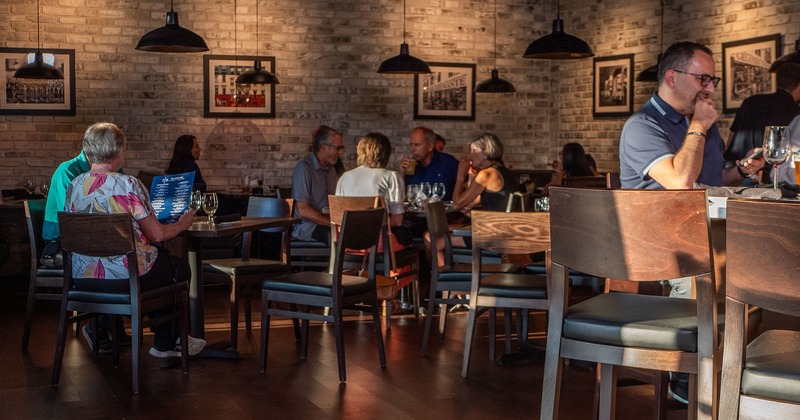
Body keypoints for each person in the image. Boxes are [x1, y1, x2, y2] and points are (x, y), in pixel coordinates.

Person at [618, 41, 765, 405]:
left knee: (763, 264)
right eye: (704, 78)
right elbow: (681, 183)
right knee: (714, 268)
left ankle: (738, 372)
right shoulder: (642, 126)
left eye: (712, 79)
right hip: (660, 248)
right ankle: (687, 376)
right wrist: (699, 125)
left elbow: (715, 183)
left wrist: (742, 170)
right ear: (672, 76)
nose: (711, 88)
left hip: (711, 234)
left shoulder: (701, 126)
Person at [64, 122, 205, 358]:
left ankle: (163, 339)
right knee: (176, 268)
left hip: (83, 277)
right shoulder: (127, 184)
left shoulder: (74, 186)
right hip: (123, 278)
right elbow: (158, 234)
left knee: (161, 267)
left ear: (89, 152)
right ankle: (165, 343)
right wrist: (183, 223)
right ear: (118, 151)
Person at [425, 133, 517, 265]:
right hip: (500, 232)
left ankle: (444, 281)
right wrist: (471, 177)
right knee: (434, 230)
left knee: (432, 239)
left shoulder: (487, 174)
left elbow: (456, 204)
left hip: (489, 236)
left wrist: (460, 176)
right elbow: (471, 203)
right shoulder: (501, 171)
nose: (470, 156)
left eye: (474, 151)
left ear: (486, 153)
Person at [725, 62, 800, 183]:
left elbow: (731, 137)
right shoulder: (796, 112)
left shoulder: (750, 101)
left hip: (731, 171)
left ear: (777, 82)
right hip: (762, 176)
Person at [291, 125, 343, 245]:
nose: (340, 152)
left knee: (350, 234)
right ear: (324, 148)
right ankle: (339, 264)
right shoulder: (304, 169)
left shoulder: (332, 169)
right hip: (306, 226)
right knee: (336, 237)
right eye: (338, 148)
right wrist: (332, 222)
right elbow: (303, 210)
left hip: (326, 222)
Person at [400, 126, 459, 201]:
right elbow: (399, 197)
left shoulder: (448, 163)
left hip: (443, 211)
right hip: (416, 211)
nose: (412, 149)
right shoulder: (410, 166)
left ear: (430, 147)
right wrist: (402, 173)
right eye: (411, 144)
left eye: (417, 145)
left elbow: (465, 186)